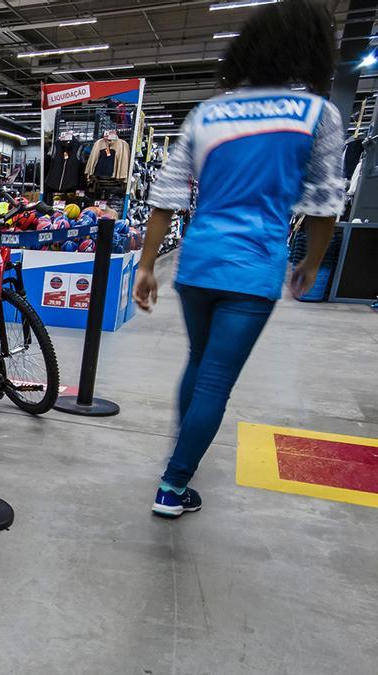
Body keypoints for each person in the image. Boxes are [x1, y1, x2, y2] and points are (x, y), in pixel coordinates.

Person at [133, 0, 345, 518]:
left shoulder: (208, 112)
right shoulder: (317, 114)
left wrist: (146, 264)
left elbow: (166, 195)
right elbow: (324, 201)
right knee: (216, 379)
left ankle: (183, 456)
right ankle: (173, 485)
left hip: (198, 262)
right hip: (253, 267)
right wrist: (312, 262)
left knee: (198, 362)